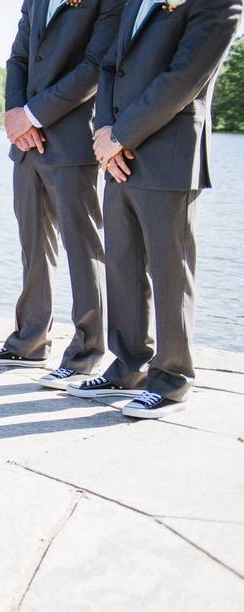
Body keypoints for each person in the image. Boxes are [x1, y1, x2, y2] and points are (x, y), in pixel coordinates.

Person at [69, 0, 242, 419]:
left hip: (169, 154)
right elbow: (110, 66)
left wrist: (123, 134)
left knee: (169, 270)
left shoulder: (220, 3)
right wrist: (104, 133)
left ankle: (172, 379)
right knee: (122, 264)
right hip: (118, 155)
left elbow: (184, 77)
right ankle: (127, 367)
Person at [0, 0, 125, 389]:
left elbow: (95, 64)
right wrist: (13, 114)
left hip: (73, 139)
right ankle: (29, 342)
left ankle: (86, 352)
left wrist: (34, 114)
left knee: (82, 248)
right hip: (25, 142)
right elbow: (19, 57)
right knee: (33, 245)